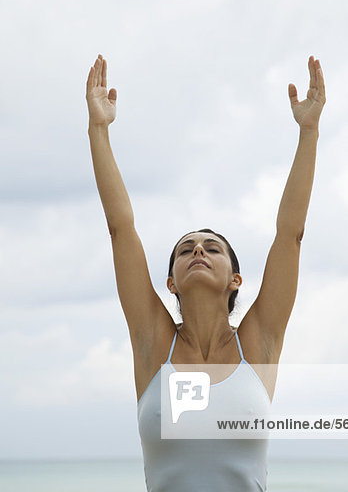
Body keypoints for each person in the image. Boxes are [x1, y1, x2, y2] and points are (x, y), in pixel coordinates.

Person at [86, 53, 326, 491]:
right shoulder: (153, 342)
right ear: (171, 282)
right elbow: (121, 230)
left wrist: (308, 133)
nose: (198, 249)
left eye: (212, 248)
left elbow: (290, 234)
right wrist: (98, 130)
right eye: (185, 250)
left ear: (236, 279)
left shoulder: (258, 342)